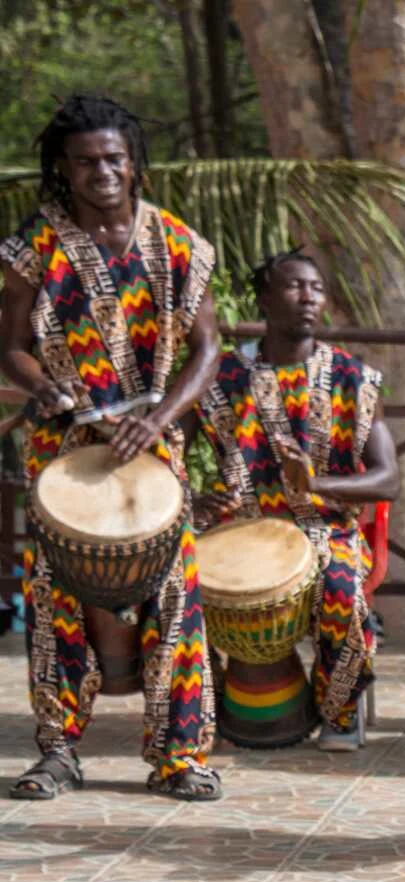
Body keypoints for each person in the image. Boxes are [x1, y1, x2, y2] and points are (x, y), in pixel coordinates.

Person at [0, 95, 222, 801]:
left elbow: (208, 347)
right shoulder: (35, 244)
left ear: (134, 164)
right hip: (65, 452)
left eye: (114, 158)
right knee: (53, 597)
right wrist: (44, 387)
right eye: (86, 160)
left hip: (153, 451)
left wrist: (159, 420)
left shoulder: (180, 244)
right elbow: (10, 347)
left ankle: (180, 756)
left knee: (177, 600)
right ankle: (59, 750)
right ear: (64, 170)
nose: (102, 171)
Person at [192, 250, 400, 749]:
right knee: (179, 587)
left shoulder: (353, 379)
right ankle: (202, 707)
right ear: (264, 299)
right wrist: (188, 495)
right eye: (293, 287)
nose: (308, 298)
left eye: (317, 288)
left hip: (325, 529)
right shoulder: (221, 378)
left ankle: (339, 710)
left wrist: (316, 485)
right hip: (241, 527)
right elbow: (167, 445)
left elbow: (387, 478)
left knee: (341, 588)